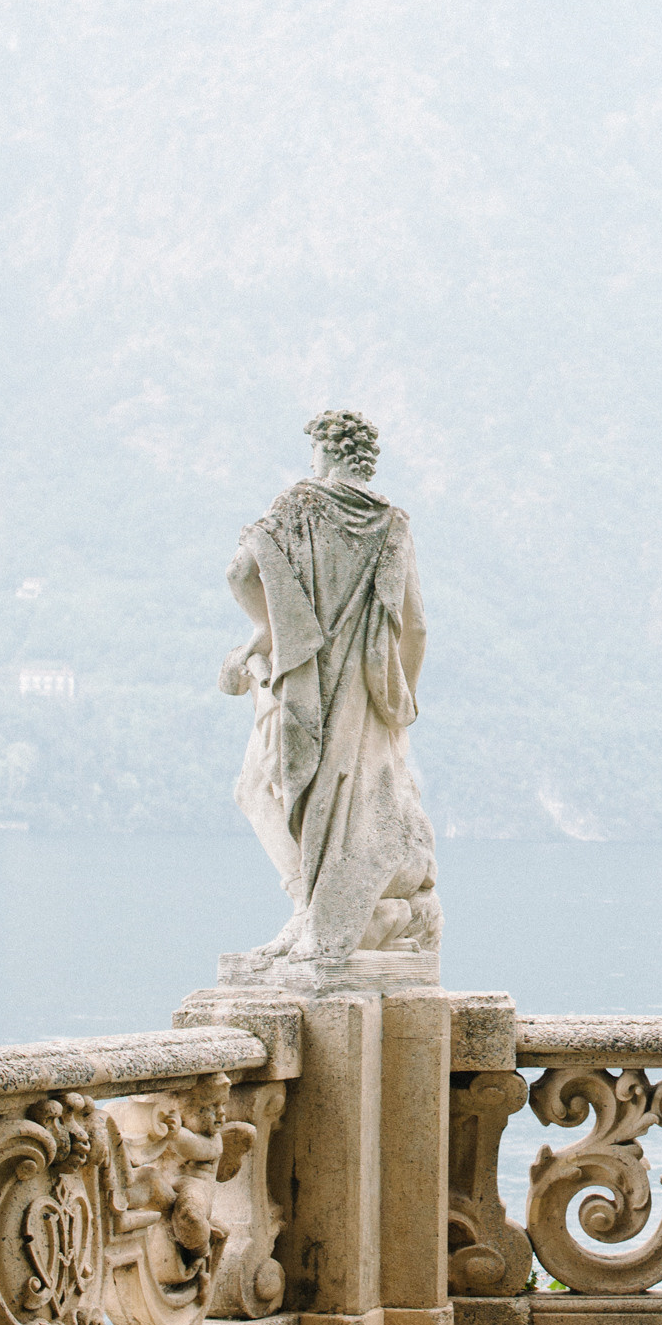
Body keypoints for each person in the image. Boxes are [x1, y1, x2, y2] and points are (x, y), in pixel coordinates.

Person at [219, 410, 440, 968]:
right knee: (348, 803)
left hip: (307, 683)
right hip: (367, 695)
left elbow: (241, 573)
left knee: (274, 790)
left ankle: (307, 910)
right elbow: (414, 626)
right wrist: (401, 701)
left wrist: (269, 631)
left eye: (314, 451)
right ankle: (320, 914)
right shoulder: (393, 524)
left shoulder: (299, 504)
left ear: (327, 452)